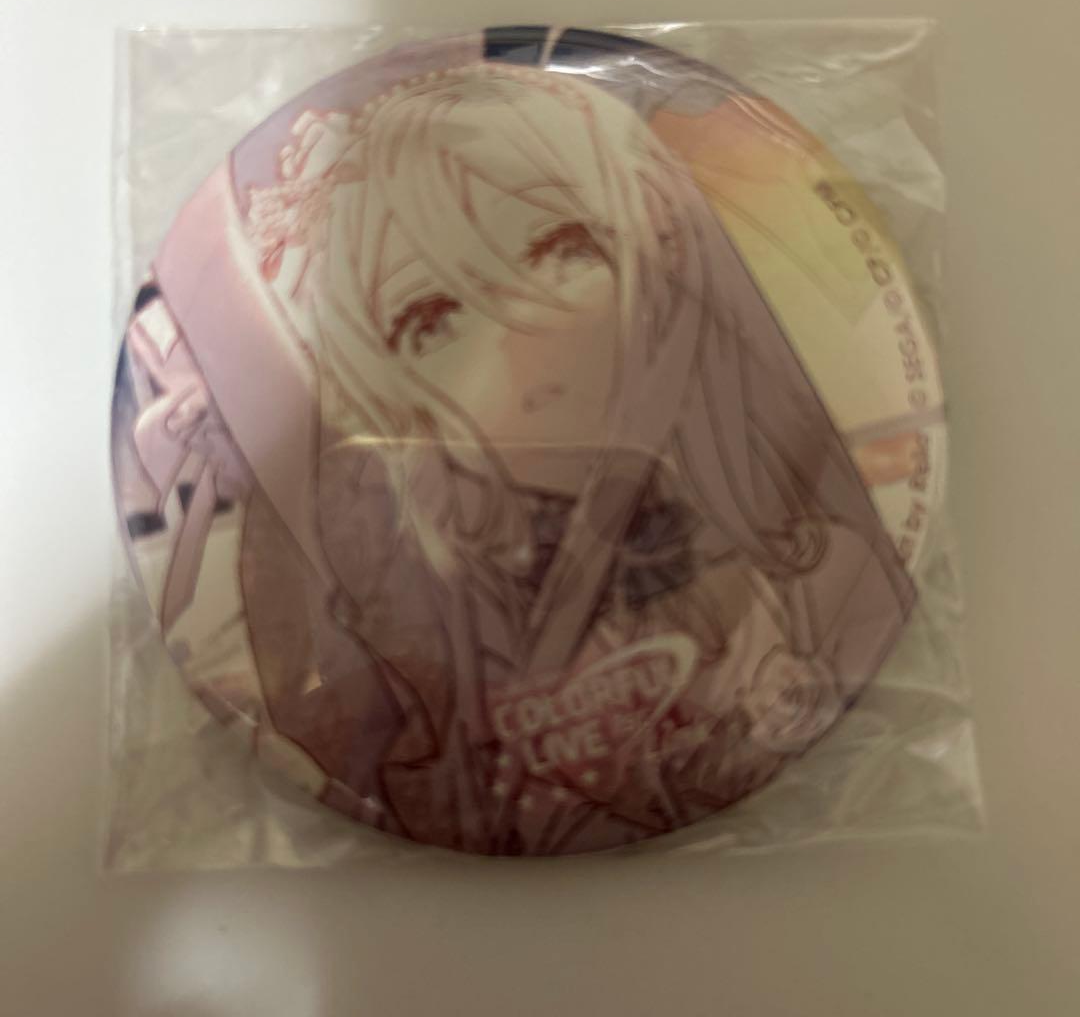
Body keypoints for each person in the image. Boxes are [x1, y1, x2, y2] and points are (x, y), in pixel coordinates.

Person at [142, 63, 917, 853]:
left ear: (655, 251)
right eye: (431, 319)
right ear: (387, 389)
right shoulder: (403, 629)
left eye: (558, 249)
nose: (520, 343)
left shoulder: (827, 576)